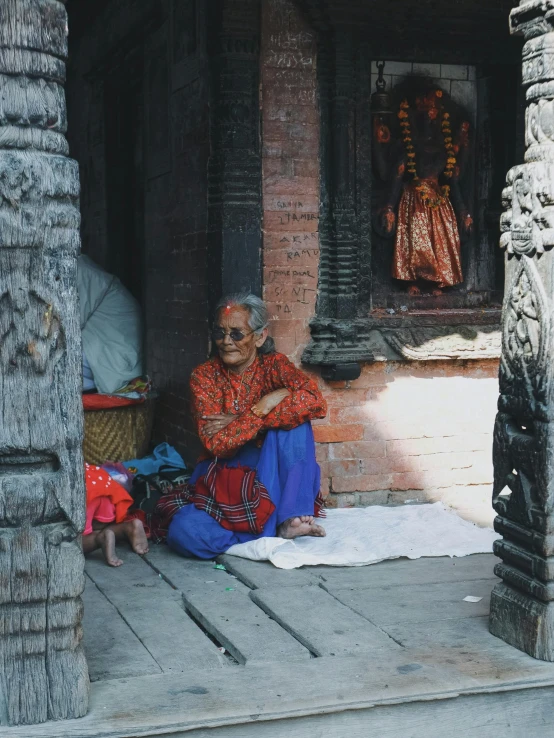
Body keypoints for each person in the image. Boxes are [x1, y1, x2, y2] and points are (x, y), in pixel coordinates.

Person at [167, 293, 328, 559]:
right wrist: (262, 407)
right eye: (220, 333)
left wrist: (240, 420)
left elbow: (314, 401)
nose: (226, 342)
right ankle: (263, 530)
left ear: (260, 337)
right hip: (225, 477)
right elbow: (218, 444)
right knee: (183, 532)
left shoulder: (274, 366)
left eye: (236, 334)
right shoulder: (203, 376)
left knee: (297, 426)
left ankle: (290, 519)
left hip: (269, 467)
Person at [82, 463, 149, 566]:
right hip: (106, 489)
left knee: (73, 542)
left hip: (85, 495)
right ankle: (128, 527)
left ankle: (99, 538)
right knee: (99, 524)